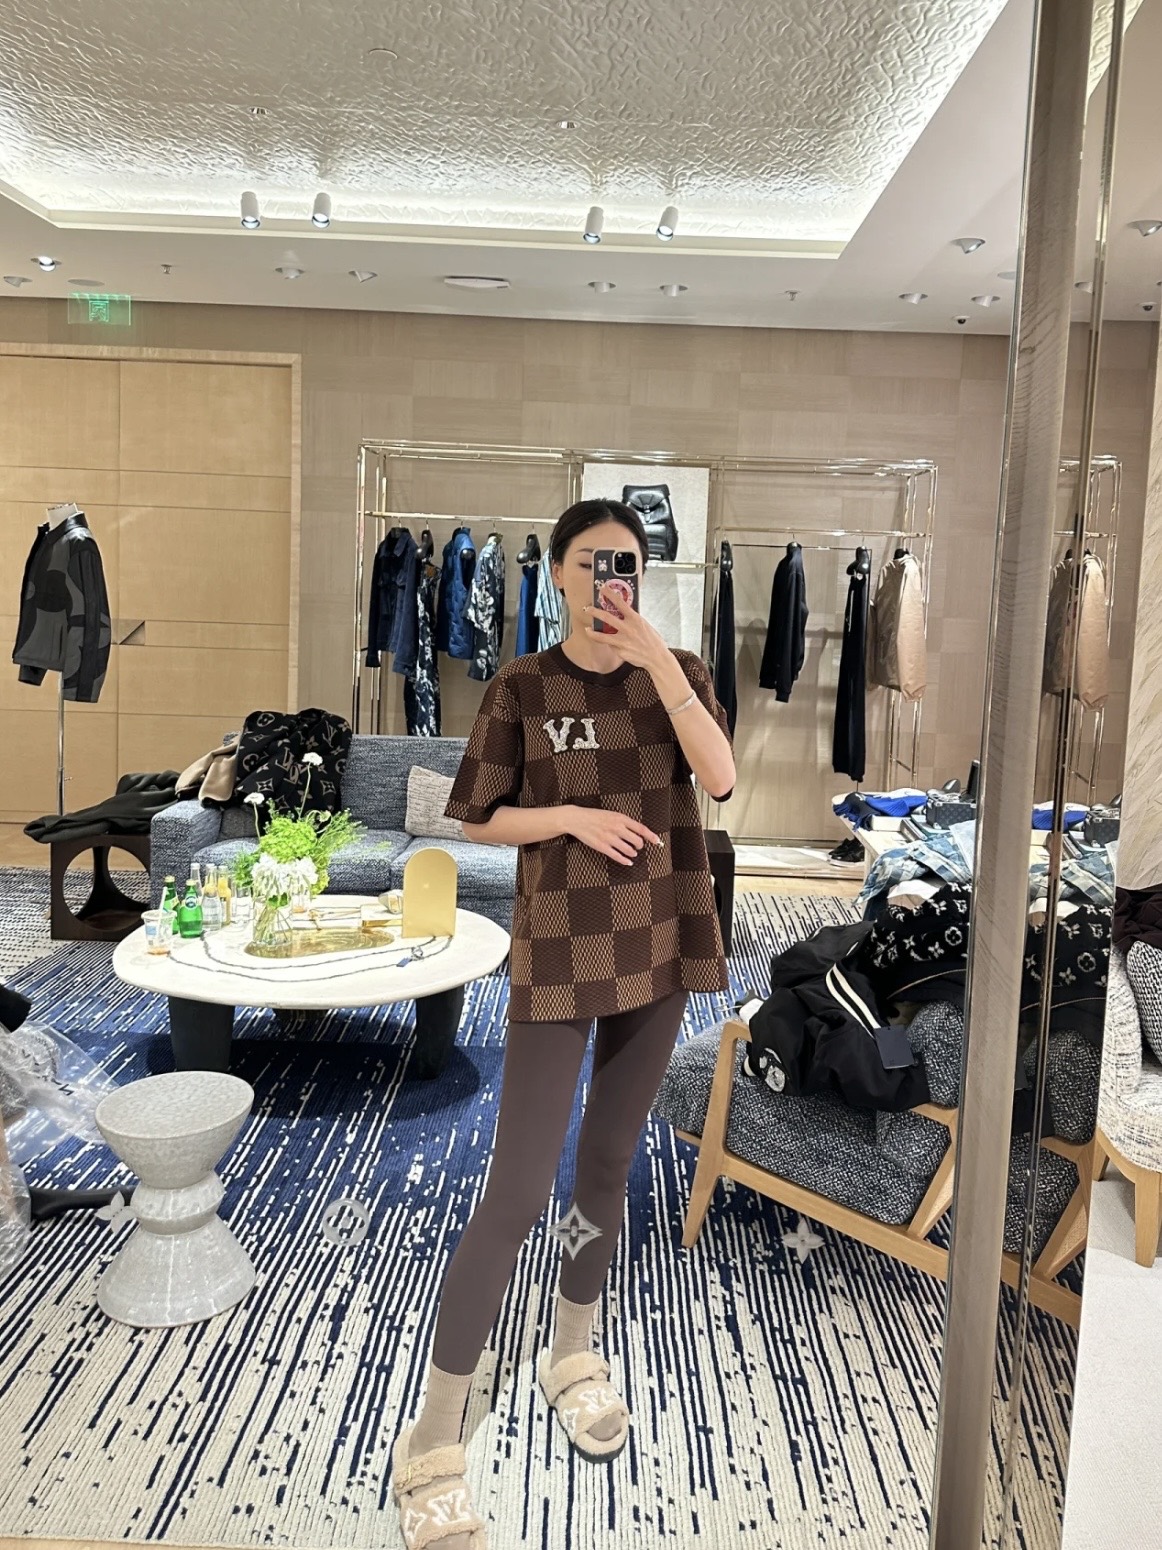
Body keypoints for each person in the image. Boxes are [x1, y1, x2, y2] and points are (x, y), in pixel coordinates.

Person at [390, 498, 735, 1550]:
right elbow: (473, 817)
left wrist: (661, 664)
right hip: (562, 947)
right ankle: (433, 1432)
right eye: (589, 563)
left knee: (608, 1166)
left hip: (660, 944)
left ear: (643, 573)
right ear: (556, 572)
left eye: (625, 563)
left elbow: (720, 779)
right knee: (516, 1190)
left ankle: (571, 1350)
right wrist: (575, 817)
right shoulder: (523, 686)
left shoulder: (679, 672)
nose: (607, 581)